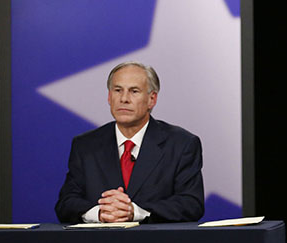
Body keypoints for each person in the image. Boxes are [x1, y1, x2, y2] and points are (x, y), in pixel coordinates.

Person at [55, 62, 205, 223]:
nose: (124, 99)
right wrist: (100, 213)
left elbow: (191, 204)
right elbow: (66, 204)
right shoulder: (85, 145)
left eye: (134, 91)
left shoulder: (182, 144)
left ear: (151, 99)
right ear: (109, 97)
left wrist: (135, 212)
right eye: (118, 90)